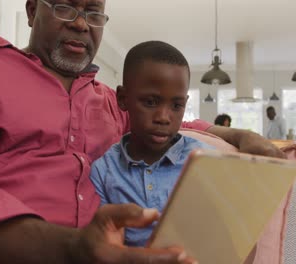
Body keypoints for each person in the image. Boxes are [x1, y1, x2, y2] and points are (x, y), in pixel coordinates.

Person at [0, 0, 296, 263]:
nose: (81, 22)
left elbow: (170, 119)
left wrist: (239, 135)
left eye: (94, 11)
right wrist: (71, 247)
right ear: (32, 10)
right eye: (66, 6)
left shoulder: (109, 102)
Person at [90, 41, 215, 247]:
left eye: (176, 105)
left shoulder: (208, 162)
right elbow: (106, 249)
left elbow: (239, 240)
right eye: (150, 102)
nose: (164, 118)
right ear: (123, 98)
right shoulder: (104, 172)